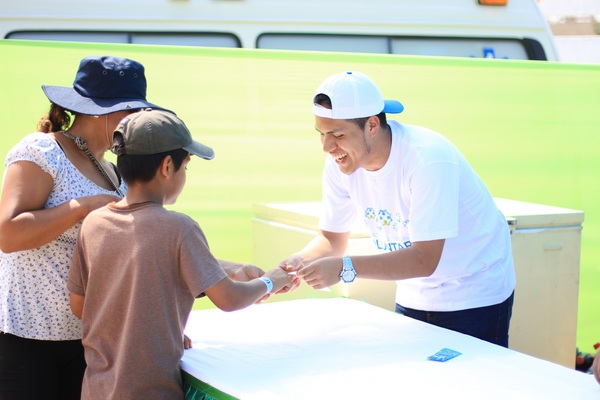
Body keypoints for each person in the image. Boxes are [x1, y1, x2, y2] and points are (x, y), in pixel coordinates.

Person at [67, 108, 294, 400]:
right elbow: (230, 298)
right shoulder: (179, 228)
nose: (184, 174)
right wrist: (272, 281)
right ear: (166, 167)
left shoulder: (94, 223)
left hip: (95, 390)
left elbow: (80, 305)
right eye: (186, 166)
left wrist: (155, 327)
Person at [280, 71, 516, 347]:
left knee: (469, 387)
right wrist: (298, 262)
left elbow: (424, 259)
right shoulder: (340, 164)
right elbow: (331, 240)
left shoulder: (427, 159)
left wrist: (345, 268)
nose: (327, 147)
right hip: (413, 289)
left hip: (474, 292)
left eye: (338, 134)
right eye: (321, 134)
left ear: (371, 125)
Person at [0, 55, 168, 399]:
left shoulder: (114, 171)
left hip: (89, 338)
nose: (137, 120)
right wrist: (84, 207)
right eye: (131, 111)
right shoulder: (42, 149)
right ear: (96, 110)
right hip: (25, 339)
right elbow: (8, 233)